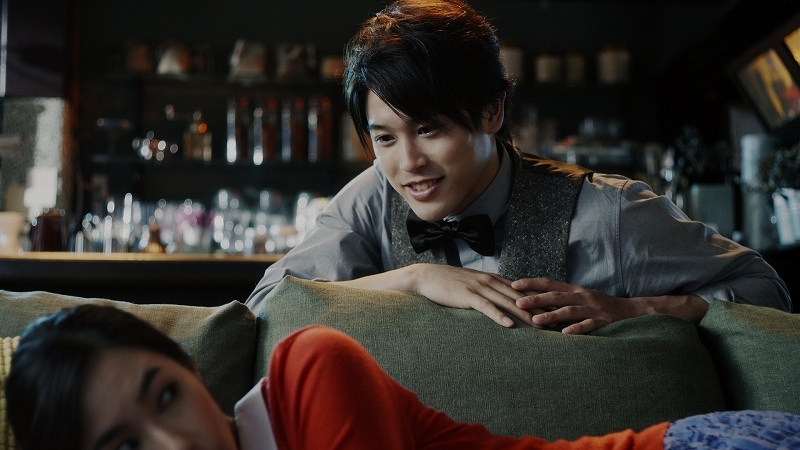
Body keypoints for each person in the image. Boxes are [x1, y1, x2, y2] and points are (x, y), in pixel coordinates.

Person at [246, 0, 791, 333]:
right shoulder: (373, 195)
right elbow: (268, 307)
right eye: (385, 137)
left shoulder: (610, 213)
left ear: (492, 111)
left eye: (430, 129)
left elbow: (765, 290)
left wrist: (637, 310)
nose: (407, 163)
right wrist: (413, 280)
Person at [6, 304, 800, 450]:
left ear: (191, 372)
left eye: (166, 395)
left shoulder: (308, 368)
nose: (173, 446)